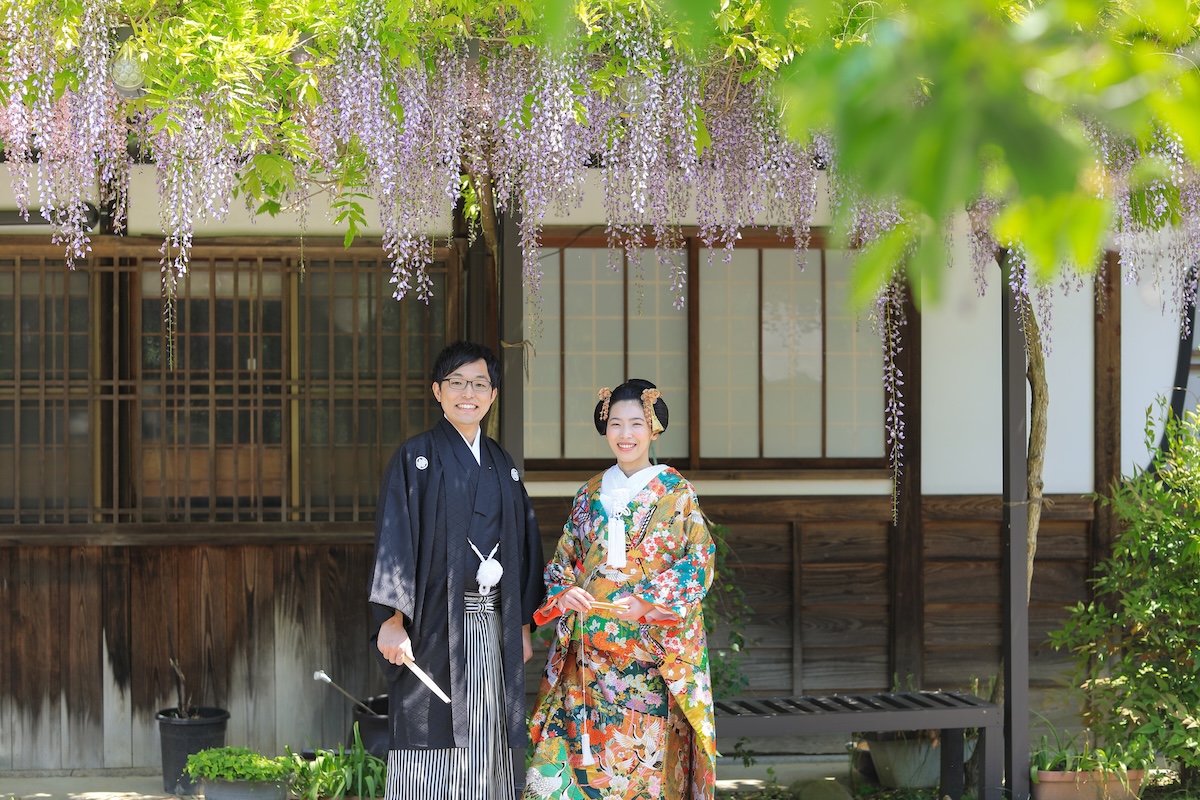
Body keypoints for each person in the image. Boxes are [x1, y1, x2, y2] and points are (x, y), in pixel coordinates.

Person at [524, 378, 717, 800]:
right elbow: (561, 564)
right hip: (586, 662)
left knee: (640, 774)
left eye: (635, 423)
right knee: (559, 772)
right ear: (604, 427)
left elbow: (699, 561)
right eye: (615, 423)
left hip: (647, 663)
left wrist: (649, 600)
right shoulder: (589, 492)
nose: (625, 435)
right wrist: (564, 593)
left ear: (653, 429)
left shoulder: (675, 492)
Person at [368, 341, 545, 800]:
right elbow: (396, 538)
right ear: (437, 391)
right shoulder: (417, 458)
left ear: (493, 394)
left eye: (480, 384)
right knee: (431, 730)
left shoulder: (503, 465)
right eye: (457, 383)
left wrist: (522, 626)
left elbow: (524, 546)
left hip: (493, 624)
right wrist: (392, 619)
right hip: (432, 627)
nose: (469, 393)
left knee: (489, 734)